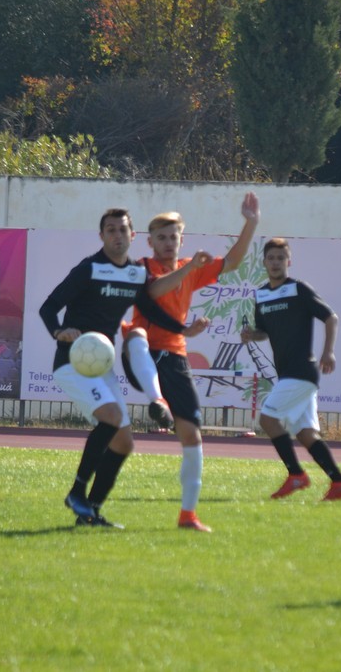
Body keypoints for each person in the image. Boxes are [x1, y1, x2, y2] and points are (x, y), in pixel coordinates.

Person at [39, 207, 208, 528]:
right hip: (72, 361)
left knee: (123, 442)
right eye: (111, 230)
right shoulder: (89, 269)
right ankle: (76, 492)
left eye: (123, 230)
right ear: (102, 236)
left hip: (101, 365)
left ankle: (91, 512)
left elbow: (150, 310)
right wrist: (58, 331)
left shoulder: (134, 273)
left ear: (133, 235)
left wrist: (183, 330)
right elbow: (48, 307)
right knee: (113, 417)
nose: (118, 235)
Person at [121, 192, 261, 532]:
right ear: (150, 241)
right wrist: (190, 269)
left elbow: (232, 263)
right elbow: (154, 292)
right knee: (135, 333)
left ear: (182, 240)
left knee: (192, 437)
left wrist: (251, 223)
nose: (168, 243)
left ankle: (188, 515)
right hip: (141, 353)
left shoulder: (190, 268)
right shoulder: (142, 267)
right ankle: (157, 400)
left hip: (175, 357)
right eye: (162, 237)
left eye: (174, 237)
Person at [240, 238, 341, 501]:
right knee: (306, 434)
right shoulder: (261, 294)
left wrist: (328, 351)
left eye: (281, 258)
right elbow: (264, 332)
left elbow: (331, 317)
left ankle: (296, 475)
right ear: (264, 262)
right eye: (271, 258)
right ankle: (339, 482)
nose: (276, 262)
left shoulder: (299, 289)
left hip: (301, 371)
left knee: (268, 419)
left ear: (289, 262)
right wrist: (251, 335)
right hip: (288, 373)